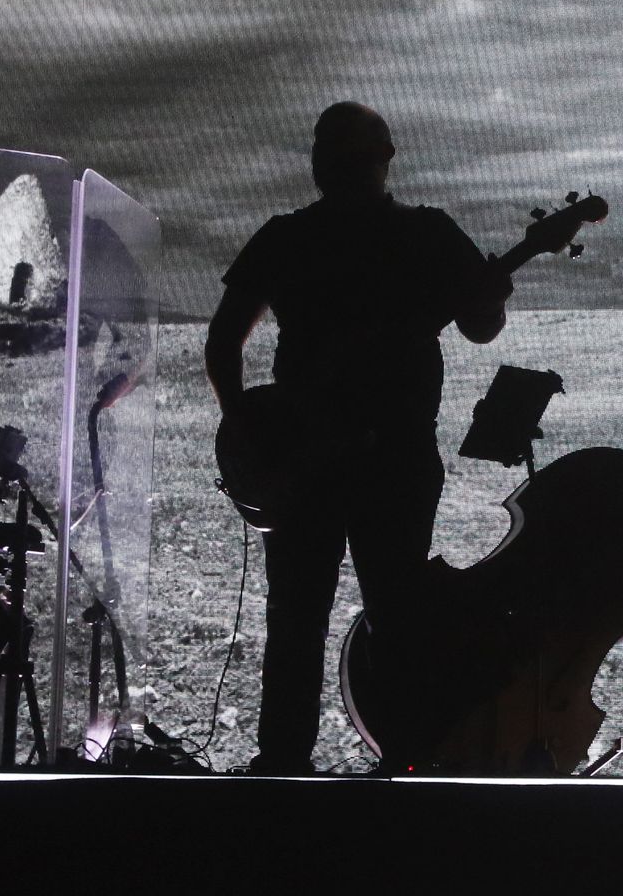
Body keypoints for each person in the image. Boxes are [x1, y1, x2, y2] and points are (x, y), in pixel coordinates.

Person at [205, 102, 511, 775]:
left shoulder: (294, 237)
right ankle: (402, 766)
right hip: (370, 462)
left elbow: (225, 339)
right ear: (386, 157)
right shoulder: (421, 234)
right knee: (388, 620)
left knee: (309, 618)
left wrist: (248, 428)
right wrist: (249, 429)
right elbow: (481, 328)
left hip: (337, 461)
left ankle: (291, 766)